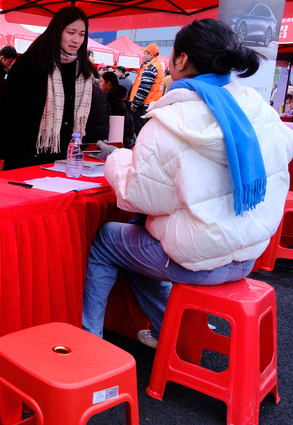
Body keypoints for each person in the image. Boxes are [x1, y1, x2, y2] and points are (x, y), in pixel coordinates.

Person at [82, 18, 293, 349]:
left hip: (197, 261)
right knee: (137, 247)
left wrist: (117, 159)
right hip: (247, 256)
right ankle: (169, 334)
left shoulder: (170, 120)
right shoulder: (260, 111)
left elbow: (139, 196)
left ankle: (89, 340)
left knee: (108, 240)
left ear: (180, 60)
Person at [0, 6, 97, 170]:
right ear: (57, 31)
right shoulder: (30, 63)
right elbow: (7, 110)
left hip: (65, 159)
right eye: (71, 32)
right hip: (26, 156)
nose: (76, 39)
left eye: (82, 34)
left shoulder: (84, 70)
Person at [128, 44, 164, 134]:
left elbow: (144, 88)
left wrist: (135, 104)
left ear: (151, 55)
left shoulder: (150, 67)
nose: (143, 56)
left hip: (144, 107)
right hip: (152, 105)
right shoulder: (158, 66)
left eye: (144, 53)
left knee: (142, 133)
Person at [99, 71, 135, 148]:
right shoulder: (121, 95)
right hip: (127, 136)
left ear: (108, 83)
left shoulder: (112, 98)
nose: (99, 84)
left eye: (101, 82)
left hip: (118, 138)